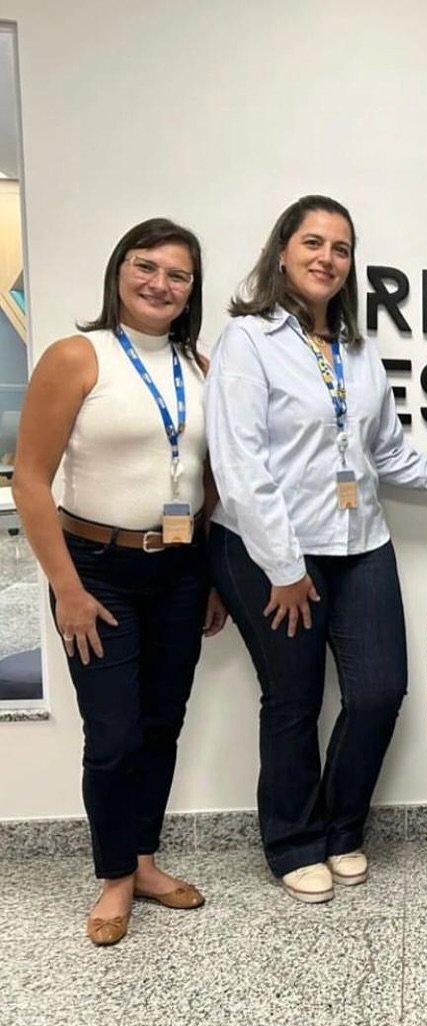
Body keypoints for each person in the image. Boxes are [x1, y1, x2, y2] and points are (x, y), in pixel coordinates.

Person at [206, 195, 427, 905]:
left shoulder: (355, 349)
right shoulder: (248, 340)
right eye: (313, 242)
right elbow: (239, 466)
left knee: (379, 692)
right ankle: (293, 842)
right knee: (294, 700)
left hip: (360, 541)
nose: (327, 258)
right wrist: (284, 568)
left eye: (340, 248)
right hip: (271, 551)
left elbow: (386, 455)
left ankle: (342, 828)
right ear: (282, 250)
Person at [12, 218, 226, 946]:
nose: (160, 284)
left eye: (178, 275)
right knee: (112, 734)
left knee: (162, 723)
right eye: (146, 266)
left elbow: (207, 480)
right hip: (95, 569)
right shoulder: (78, 356)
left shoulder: (201, 367)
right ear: (119, 271)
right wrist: (67, 589)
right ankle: (112, 876)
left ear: (192, 289)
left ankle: (144, 860)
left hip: (179, 569)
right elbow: (30, 481)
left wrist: (210, 575)